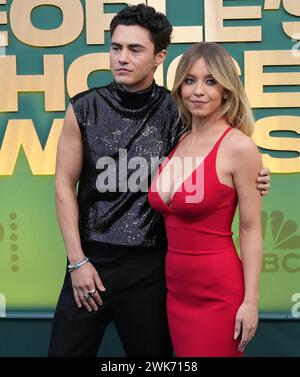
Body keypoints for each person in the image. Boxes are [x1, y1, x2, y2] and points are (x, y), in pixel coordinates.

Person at [48, 4, 270, 357]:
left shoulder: (178, 112)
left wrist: (256, 175)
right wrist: (77, 261)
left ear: (159, 57)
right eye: (116, 47)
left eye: (135, 49)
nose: (122, 58)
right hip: (90, 260)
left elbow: (218, 149)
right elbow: (63, 185)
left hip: (153, 266)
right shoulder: (83, 108)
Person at [148, 42, 263, 357]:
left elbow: (251, 229)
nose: (198, 90)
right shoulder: (179, 139)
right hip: (175, 290)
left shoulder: (239, 147)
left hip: (218, 293)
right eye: (190, 80)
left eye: (210, 81)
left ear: (227, 89)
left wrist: (250, 301)